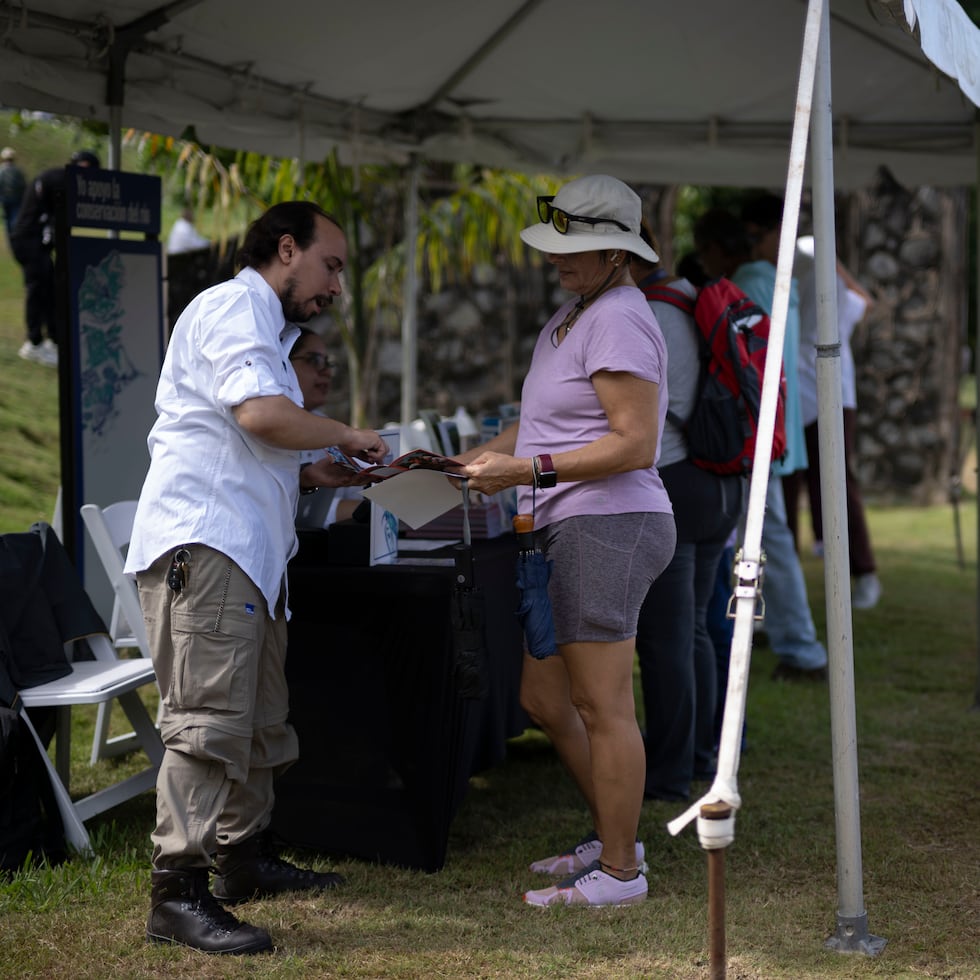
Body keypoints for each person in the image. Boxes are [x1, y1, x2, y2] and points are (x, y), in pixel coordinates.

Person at [124, 200, 389, 955]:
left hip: (247, 557)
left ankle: (243, 858)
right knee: (208, 724)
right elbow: (260, 416)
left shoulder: (262, 324)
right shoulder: (233, 306)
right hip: (210, 549)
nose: (336, 285)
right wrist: (344, 434)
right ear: (286, 248)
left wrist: (312, 471)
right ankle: (176, 892)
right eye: (331, 265)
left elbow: (248, 441)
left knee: (260, 719)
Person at [458, 174, 676, 907]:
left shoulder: (618, 317)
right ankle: (616, 839)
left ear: (617, 253)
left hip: (606, 523)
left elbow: (635, 443)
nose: (555, 259)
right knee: (546, 698)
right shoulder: (578, 311)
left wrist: (523, 471)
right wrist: (464, 464)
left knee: (600, 704)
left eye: (571, 248)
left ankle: (621, 873)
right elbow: (540, 425)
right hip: (568, 522)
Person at [630, 231, 745, 802]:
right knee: (693, 628)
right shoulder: (691, 297)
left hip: (676, 481)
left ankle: (670, 773)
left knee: (666, 639)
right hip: (718, 484)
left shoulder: (648, 313)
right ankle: (698, 755)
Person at [694, 201, 828, 682]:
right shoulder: (770, 277)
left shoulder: (749, 281)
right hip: (770, 425)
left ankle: (803, 650)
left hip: (752, 430)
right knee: (767, 535)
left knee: (770, 536)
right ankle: (777, 630)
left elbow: (740, 363)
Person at [785, 236, 881, 609]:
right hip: (806, 392)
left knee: (831, 485)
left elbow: (864, 304)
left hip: (827, 394)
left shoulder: (813, 271)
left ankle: (861, 572)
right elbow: (865, 303)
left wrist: (837, 268)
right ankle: (792, 578)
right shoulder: (809, 270)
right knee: (803, 485)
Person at [9, 149, 100, 367]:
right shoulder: (63, 180)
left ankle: (50, 340)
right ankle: (34, 343)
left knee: (48, 289)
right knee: (38, 290)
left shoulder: (58, 177)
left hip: (33, 241)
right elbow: (56, 222)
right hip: (30, 240)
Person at [290, 327, 363, 527]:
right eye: (313, 360)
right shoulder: (264, 428)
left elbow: (353, 493)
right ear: (282, 363)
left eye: (327, 363)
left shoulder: (326, 424)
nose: (327, 372)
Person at [0, 146, 26, 244]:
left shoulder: (1, 170)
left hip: (5, 198)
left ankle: (11, 238)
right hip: (16, 199)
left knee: (7, 218)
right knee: (14, 218)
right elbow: (23, 185)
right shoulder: (18, 171)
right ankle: (16, 236)